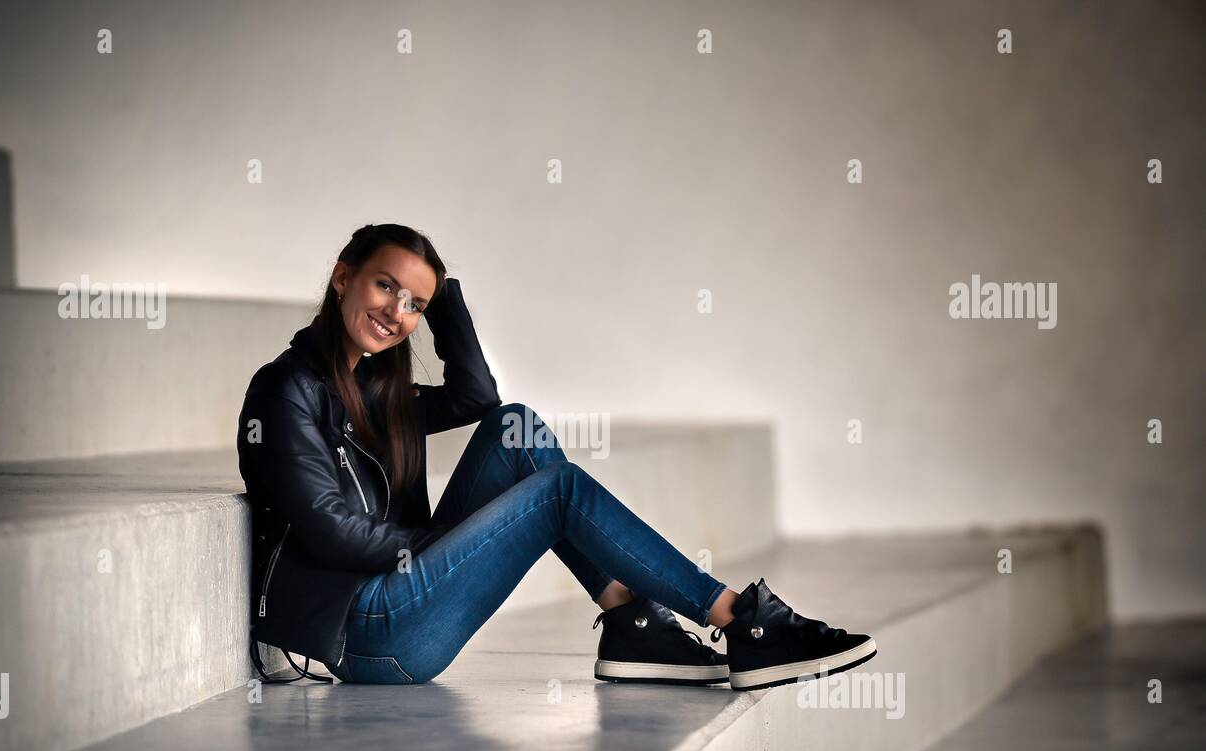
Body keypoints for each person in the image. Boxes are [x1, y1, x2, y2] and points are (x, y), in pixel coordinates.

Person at [236, 223, 876, 690]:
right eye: (385, 286)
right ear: (343, 275)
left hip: (397, 595)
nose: (397, 313)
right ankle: (739, 619)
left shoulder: (374, 391)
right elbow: (330, 530)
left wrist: (446, 298)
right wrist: (443, 543)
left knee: (516, 428)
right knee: (559, 491)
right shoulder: (286, 390)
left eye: (414, 304)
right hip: (367, 630)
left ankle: (631, 626)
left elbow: (476, 398)